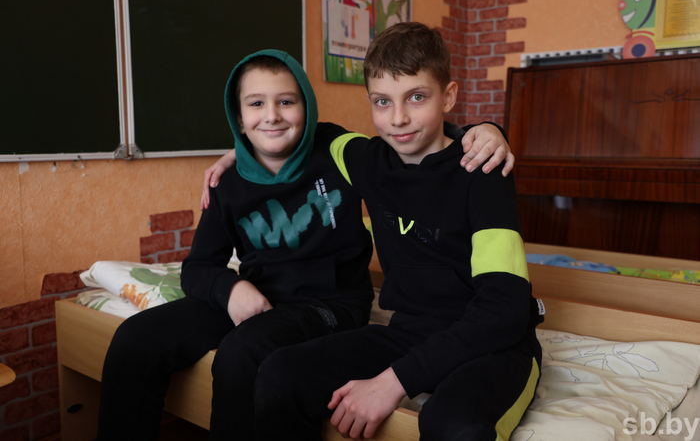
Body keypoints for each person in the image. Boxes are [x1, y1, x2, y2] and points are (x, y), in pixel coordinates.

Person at [96, 49, 512, 441]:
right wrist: (231, 289)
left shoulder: (337, 153)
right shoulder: (227, 182)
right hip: (259, 297)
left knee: (241, 352)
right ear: (238, 117)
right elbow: (198, 267)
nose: (272, 115)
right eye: (256, 104)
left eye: (286, 102)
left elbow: (421, 145)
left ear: (307, 108)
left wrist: (487, 130)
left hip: (328, 303)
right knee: (135, 339)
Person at [249, 22, 545, 441]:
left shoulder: (483, 170)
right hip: (410, 334)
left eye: (417, 97)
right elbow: (316, 134)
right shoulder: (367, 161)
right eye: (382, 102)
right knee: (280, 374)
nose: (398, 118)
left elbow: (504, 309)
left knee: (452, 426)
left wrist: (394, 382)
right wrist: (236, 155)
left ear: (449, 96)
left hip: (494, 344)